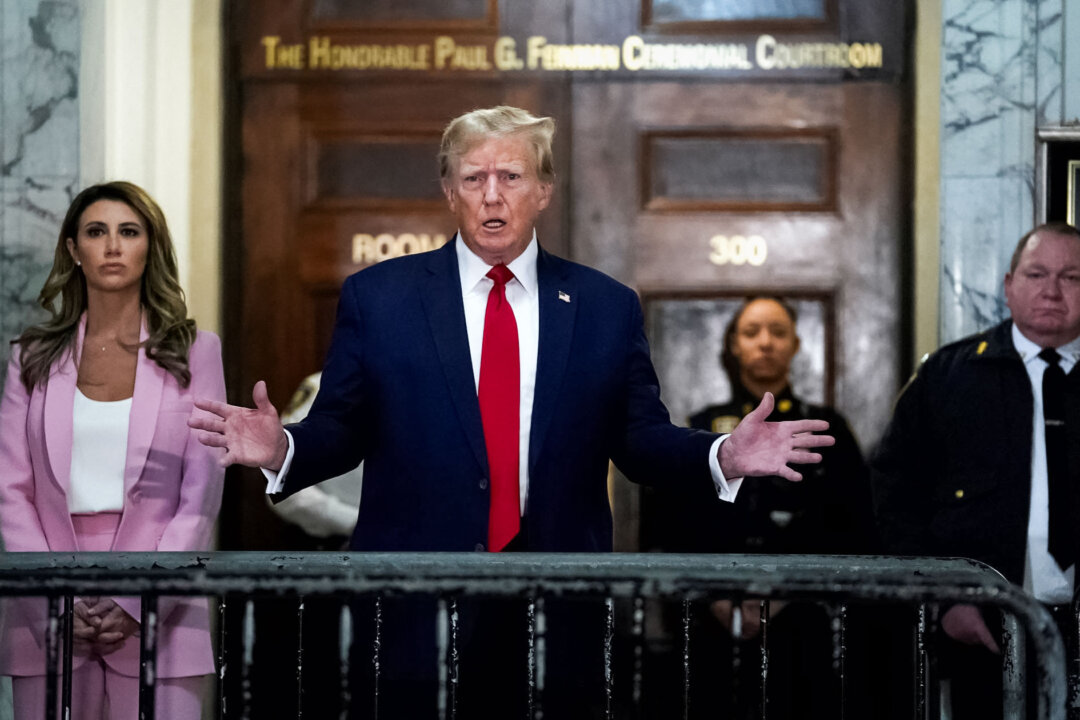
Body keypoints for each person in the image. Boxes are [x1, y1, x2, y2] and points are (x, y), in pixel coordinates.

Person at [189, 105, 834, 717]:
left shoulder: (604, 306)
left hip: (558, 615)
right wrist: (284, 448)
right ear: (450, 192)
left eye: (511, 176)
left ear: (544, 190)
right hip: (414, 611)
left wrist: (721, 455)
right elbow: (340, 429)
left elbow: (640, 439)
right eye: (474, 178)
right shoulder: (379, 299)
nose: (492, 195)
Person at [0, 181, 226, 719]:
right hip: (46, 603)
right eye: (96, 232)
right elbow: (10, 489)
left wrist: (138, 598)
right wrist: (55, 598)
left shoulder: (195, 351)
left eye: (129, 232)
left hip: (165, 606)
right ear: (74, 249)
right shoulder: (32, 357)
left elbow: (200, 494)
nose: (113, 246)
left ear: (151, 247)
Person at [871, 222, 1080, 720]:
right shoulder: (950, 376)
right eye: (1036, 274)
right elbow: (893, 497)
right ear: (1009, 285)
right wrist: (945, 601)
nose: (1052, 291)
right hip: (982, 628)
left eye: (1072, 277)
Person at [649, 296, 878, 719]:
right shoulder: (700, 429)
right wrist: (716, 598)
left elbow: (856, 526)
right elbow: (673, 525)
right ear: (733, 346)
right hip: (712, 621)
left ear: (795, 344)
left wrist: (787, 593)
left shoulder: (824, 429)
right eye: (751, 332)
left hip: (807, 620)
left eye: (778, 332)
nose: (765, 342)